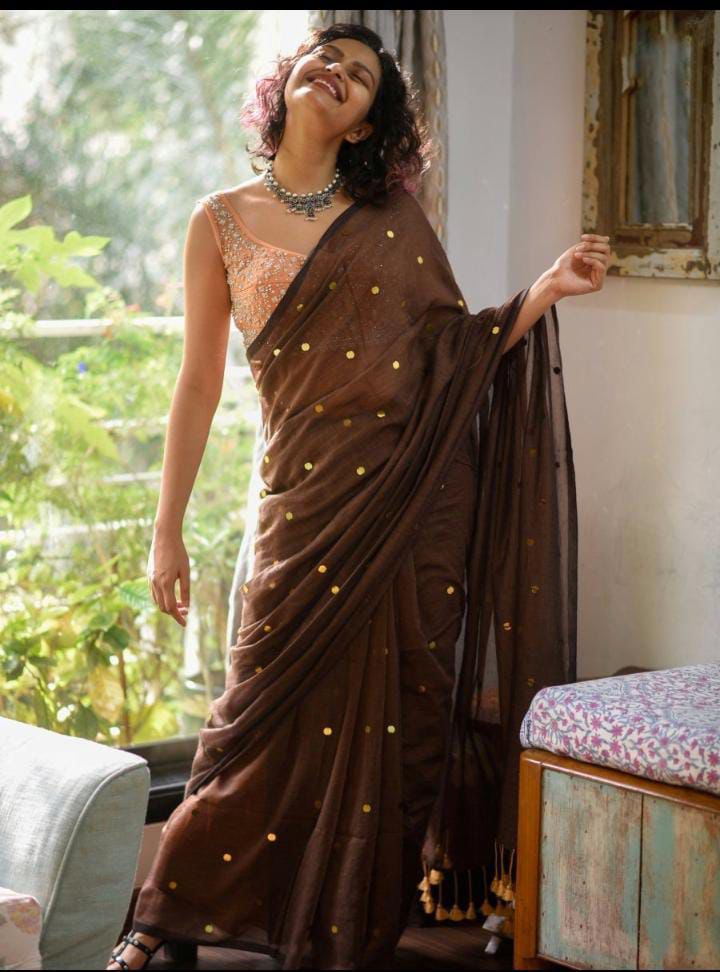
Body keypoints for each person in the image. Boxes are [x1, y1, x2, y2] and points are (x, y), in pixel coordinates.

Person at [107, 22, 607, 972]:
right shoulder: (219, 220)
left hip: (415, 511)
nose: (336, 72)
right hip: (302, 507)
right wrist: (166, 531)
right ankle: (163, 915)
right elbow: (197, 384)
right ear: (287, 82)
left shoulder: (393, 223)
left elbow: (452, 351)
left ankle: (345, 934)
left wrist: (542, 292)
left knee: (404, 724)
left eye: (362, 75)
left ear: (370, 122)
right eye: (325, 58)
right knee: (251, 718)